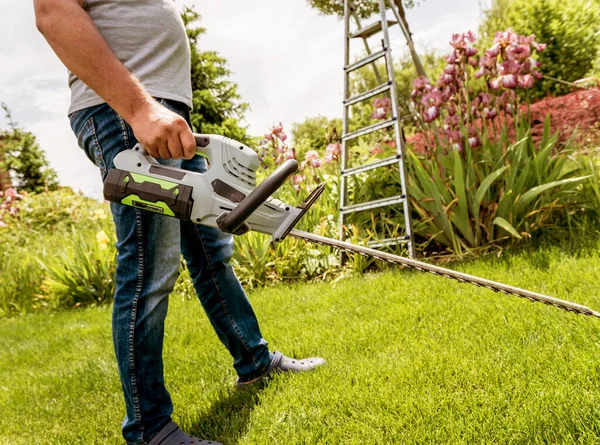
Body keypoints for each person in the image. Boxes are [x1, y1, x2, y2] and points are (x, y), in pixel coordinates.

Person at [33, 1, 326, 444]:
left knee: (211, 252)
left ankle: (255, 361)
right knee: (151, 265)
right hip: (125, 110)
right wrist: (138, 109)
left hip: (159, 111)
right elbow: (53, 12)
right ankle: (151, 430)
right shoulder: (132, 108)